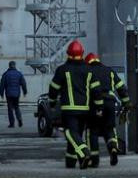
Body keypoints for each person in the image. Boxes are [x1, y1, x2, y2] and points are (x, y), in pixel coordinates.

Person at [48, 39, 105, 168]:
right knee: (77, 135)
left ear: (68, 54)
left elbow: (53, 89)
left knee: (69, 132)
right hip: (85, 110)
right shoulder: (89, 70)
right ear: (82, 54)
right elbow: (97, 90)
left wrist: (52, 103)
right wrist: (99, 107)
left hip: (69, 109)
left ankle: (84, 152)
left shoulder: (62, 70)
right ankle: (71, 161)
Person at [84, 52, 130, 166]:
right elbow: (121, 88)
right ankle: (113, 147)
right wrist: (126, 103)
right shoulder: (109, 71)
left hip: (94, 103)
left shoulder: (87, 72)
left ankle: (94, 160)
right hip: (110, 102)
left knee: (92, 131)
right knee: (109, 128)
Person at [0, 60, 28, 128]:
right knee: (17, 107)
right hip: (16, 94)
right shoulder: (19, 74)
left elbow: (2, 84)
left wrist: (1, 93)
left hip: (9, 94)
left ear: (9, 66)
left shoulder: (5, 74)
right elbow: (23, 83)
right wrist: (25, 92)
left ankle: (12, 123)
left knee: (10, 109)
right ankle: (19, 119)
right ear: (14, 66)